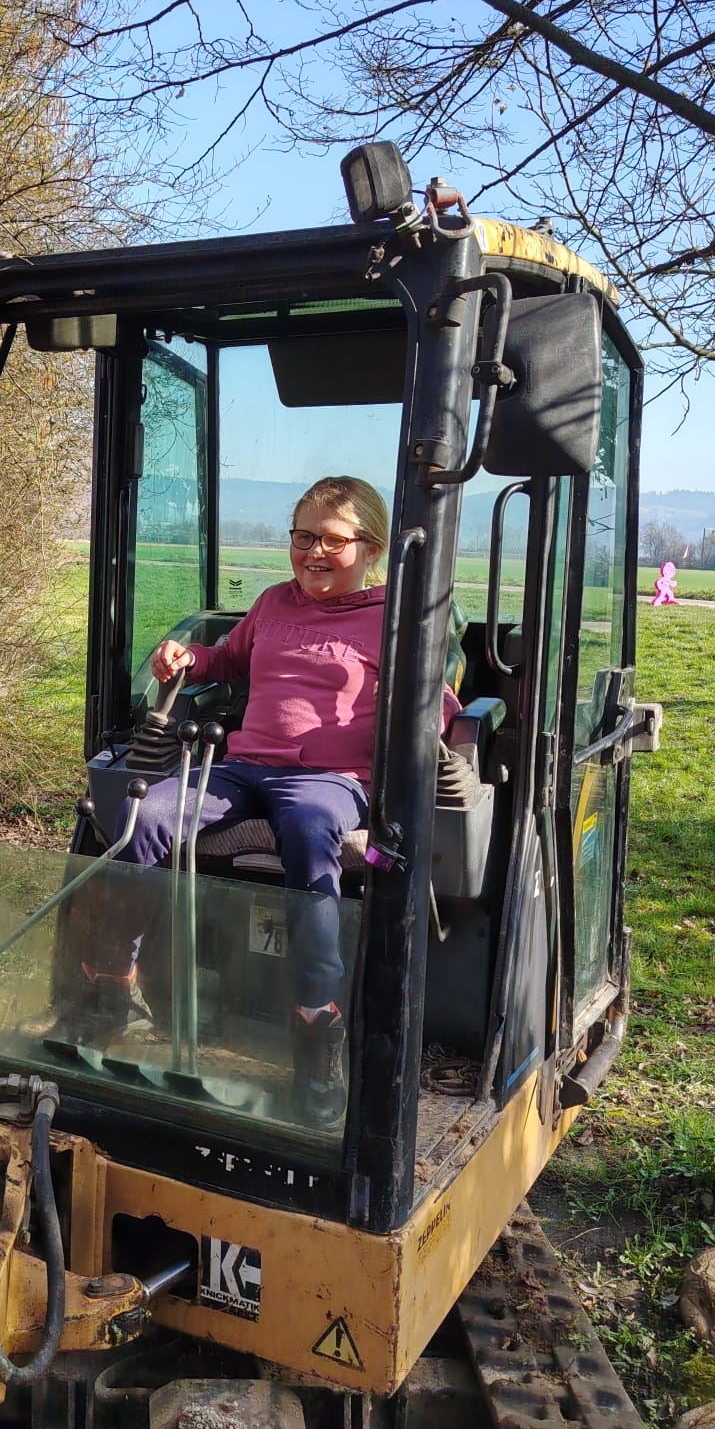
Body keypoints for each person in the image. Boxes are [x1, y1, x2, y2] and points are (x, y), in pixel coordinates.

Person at [72, 475, 457, 1129]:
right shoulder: (274, 603)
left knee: (310, 831)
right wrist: (184, 657)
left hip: (329, 780)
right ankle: (114, 989)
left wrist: (412, 721)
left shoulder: (395, 619)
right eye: (302, 537)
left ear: (370, 548)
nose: (313, 552)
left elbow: (439, 706)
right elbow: (226, 660)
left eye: (331, 540)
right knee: (146, 813)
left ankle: (316, 1027)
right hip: (243, 768)